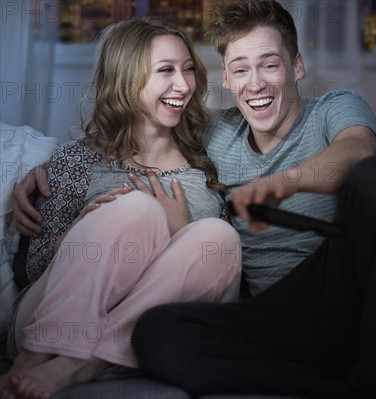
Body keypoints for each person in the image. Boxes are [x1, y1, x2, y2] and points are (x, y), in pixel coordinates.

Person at [11, 1, 376, 398]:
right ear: (227, 78)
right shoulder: (215, 134)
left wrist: (287, 182)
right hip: (269, 319)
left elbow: (358, 153)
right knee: (160, 334)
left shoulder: (335, 108)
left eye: (269, 64)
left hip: (336, 285)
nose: (255, 82)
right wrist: (45, 164)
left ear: (297, 65)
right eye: (240, 69)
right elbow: (143, 126)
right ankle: (343, 387)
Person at [0, 18, 241, 399]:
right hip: (51, 323)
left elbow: (209, 275)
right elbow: (33, 271)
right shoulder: (77, 161)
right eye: (166, 71)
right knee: (137, 210)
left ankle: (80, 365)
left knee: (220, 237)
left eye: (188, 69)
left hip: (153, 330)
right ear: (126, 79)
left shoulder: (208, 158)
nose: (184, 85)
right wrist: (77, 232)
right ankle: (36, 356)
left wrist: (176, 232)